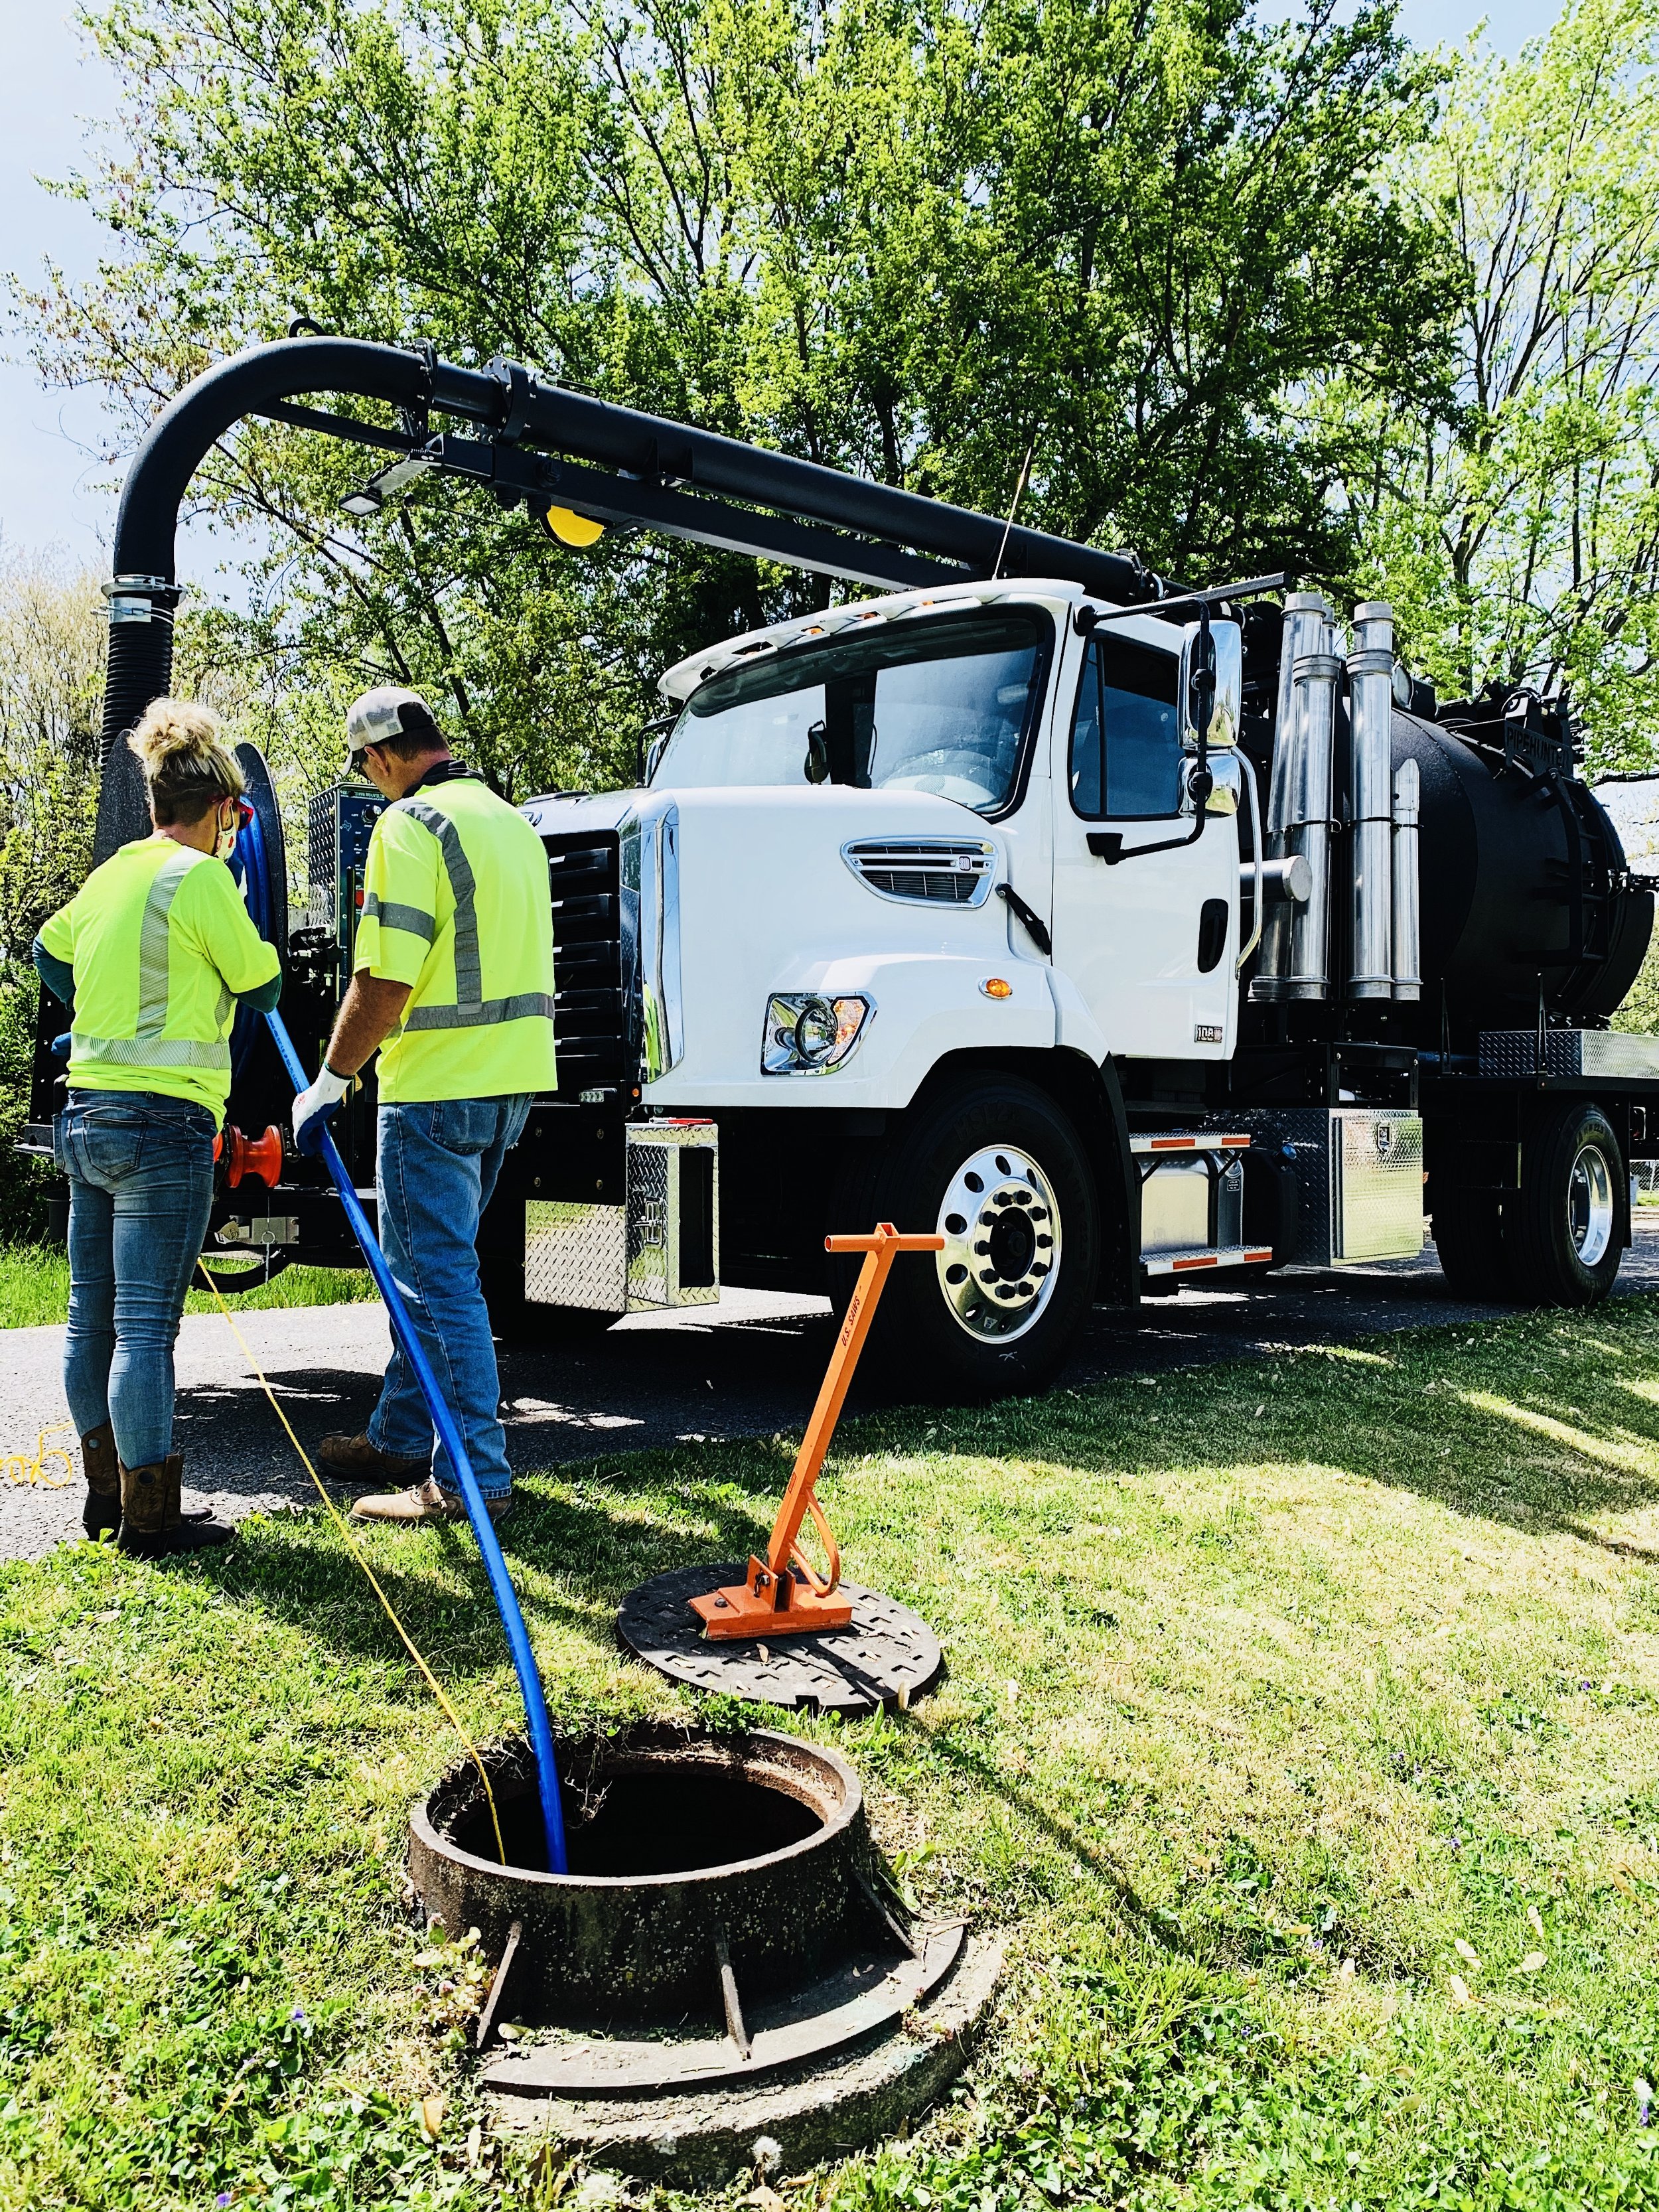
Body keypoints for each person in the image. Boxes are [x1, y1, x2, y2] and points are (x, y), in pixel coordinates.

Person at [296, 688, 557, 1526]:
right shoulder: (512, 824)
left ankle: (473, 1479)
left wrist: (332, 1078)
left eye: (366, 769)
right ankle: (399, 1435)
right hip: (509, 1086)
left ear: (379, 758)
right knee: (432, 1278)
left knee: (437, 1286)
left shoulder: (409, 828)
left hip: (434, 1091)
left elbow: (385, 979)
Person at [34, 701, 282, 1555]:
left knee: (87, 1322)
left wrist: (90, 1014)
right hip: (164, 1127)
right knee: (145, 1329)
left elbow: (45, 949)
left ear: (153, 807)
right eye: (235, 816)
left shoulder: (112, 875)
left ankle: (104, 1498)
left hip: (87, 1116)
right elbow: (264, 985)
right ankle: (152, 1519)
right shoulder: (203, 878)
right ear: (218, 810)